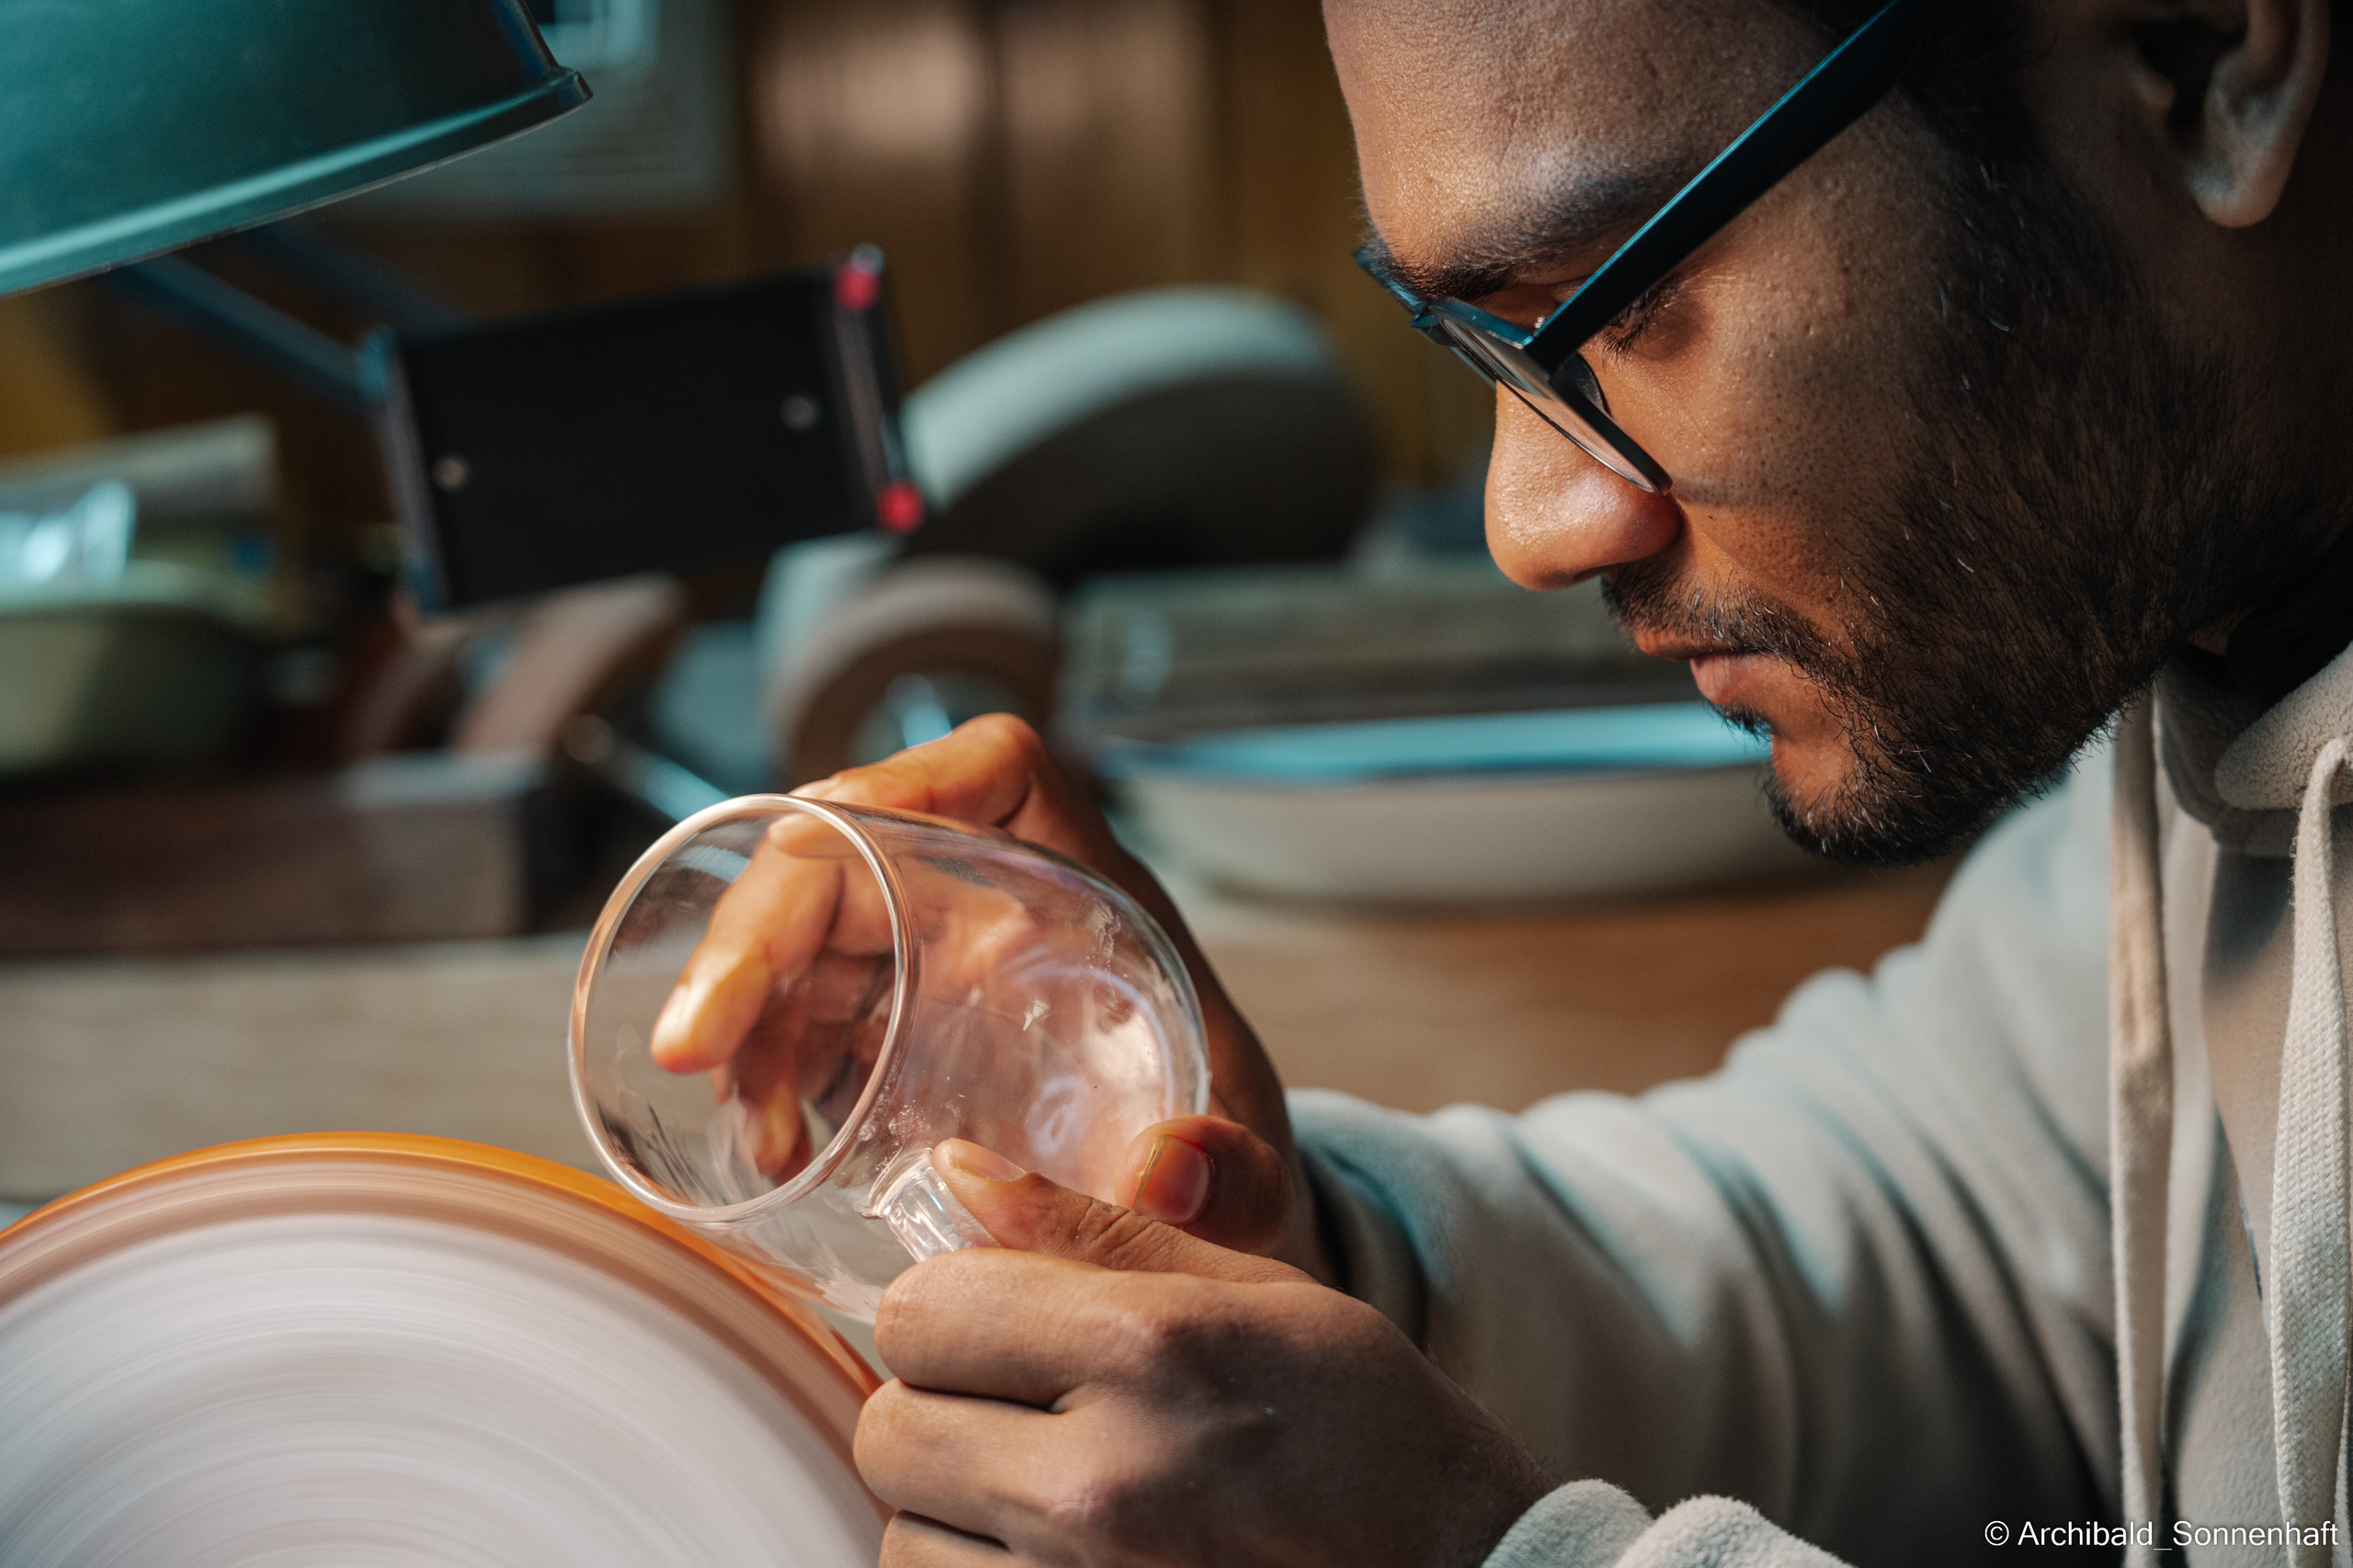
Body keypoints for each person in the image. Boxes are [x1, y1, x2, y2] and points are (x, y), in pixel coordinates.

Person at [655, 0, 2353, 1560]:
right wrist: (1294, 1263)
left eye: (1612, 296)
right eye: (1477, 339)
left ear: (2206, 53)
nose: (1529, 525)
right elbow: (1955, 1242)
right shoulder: (2219, 676)